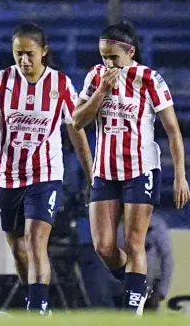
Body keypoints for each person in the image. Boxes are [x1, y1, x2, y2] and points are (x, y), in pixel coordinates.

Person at [72, 21, 190, 314]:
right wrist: (101, 92)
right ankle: (137, 285)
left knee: (134, 241)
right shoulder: (96, 77)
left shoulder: (150, 79)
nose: (108, 63)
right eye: (103, 57)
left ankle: (132, 312)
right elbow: (76, 121)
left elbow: (173, 130)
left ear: (131, 53)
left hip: (141, 170)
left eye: (114, 57)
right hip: (105, 171)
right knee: (104, 246)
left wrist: (180, 176)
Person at [0, 22, 93, 315]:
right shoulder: (1, 82)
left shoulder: (61, 84)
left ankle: (38, 310)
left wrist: (91, 173)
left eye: (30, 53)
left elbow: (75, 130)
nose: (24, 60)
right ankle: (36, 299)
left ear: (44, 52)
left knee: (35, 239)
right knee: (18, 250)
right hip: (8, 174)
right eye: (18, 54)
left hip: (45, 174)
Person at [117, 211, 173, 311]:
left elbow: (167, 259)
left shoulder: (156, 224)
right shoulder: (115, 226)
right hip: (121, 291)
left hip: (150, 289)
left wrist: (161, 291)